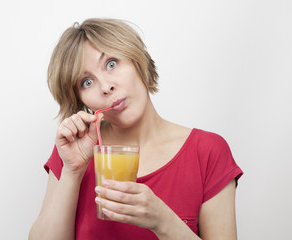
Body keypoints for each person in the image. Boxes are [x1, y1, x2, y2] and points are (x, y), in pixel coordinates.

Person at [29, 18, 243, 240]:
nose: (106, 87)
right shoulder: (76, 152)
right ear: (80, 100)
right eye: (86, 82)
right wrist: (72, 172)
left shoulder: (207, 152)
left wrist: (163, 221)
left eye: (111, 64)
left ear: (137, 60)